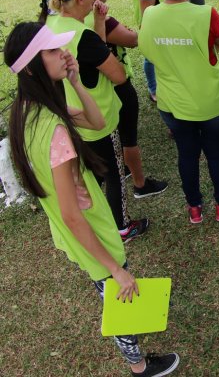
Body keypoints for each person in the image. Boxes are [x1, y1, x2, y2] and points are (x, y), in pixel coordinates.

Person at [4, 22, 180, 377]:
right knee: (117, 292)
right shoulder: (54, 130)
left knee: (111, 288)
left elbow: (97, 122)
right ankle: (139, 365)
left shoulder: (28, 111)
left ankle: (136, 357)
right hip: (88, 228)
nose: (63, 54)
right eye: (52, 51)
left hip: (70, 227)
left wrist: (74, 81)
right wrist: (115, 269)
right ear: (32, 66)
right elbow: (72, 214)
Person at [139, 0, 219, 225]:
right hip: (211, 101)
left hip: (172, 104)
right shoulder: (205, 14)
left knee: (186, 154)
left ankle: (195, 208)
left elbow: (147, 49)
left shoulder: (149, 15)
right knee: (216, 154)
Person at [48, 0, 149, 242]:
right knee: (114, 175)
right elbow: (117, 75)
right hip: (99, 120)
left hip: (73, 118)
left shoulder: (52, 26)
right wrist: (99, 33)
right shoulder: (84, 36)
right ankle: (122, 227)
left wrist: (100, 22)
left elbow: (91, 60)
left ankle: (96, 222)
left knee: (92, 177)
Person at [93, 0, 168, 200]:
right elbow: (133, 40)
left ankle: (123, 168)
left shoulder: (71, 22)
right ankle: (140, 184)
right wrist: (125, 31)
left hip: (98, 90)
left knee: (114, 134)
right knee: (128, 137)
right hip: (117, 85)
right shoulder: (102, 20)